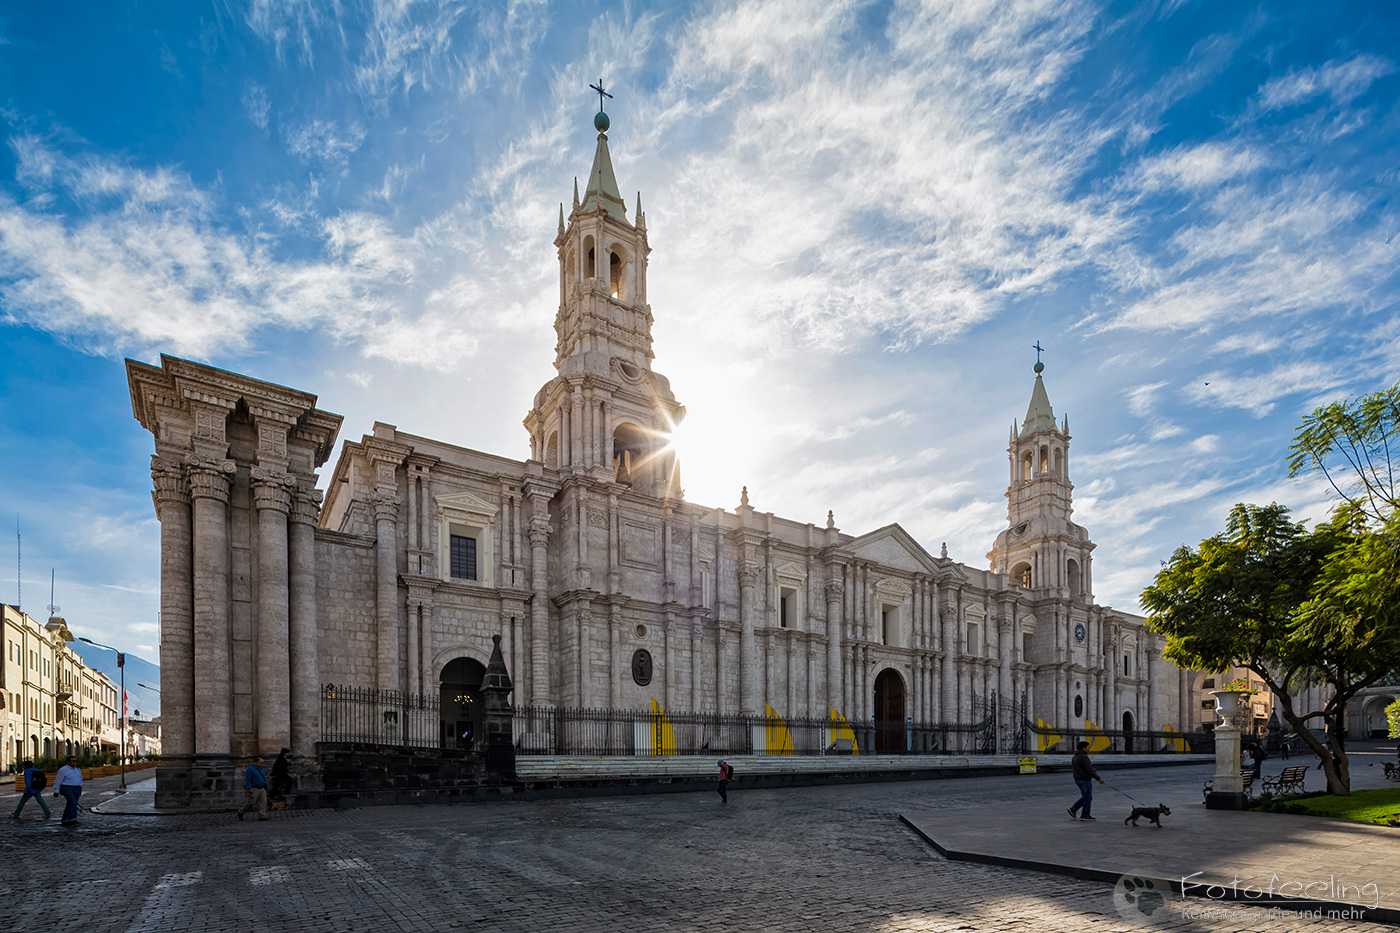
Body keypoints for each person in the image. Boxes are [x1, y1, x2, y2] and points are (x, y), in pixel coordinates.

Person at [1066, 740, 1104, 821]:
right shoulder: (1083, 757)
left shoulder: (1075, 756)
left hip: (1078, 779)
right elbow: (1089, 769)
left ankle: (1073, 809)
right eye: (1088, 747)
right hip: (1084, 779)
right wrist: (1098, 779)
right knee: (1088, 797)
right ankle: (1084, 814)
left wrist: (1091, 771)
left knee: (1086, 797)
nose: (1089, 748)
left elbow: (1081, 768)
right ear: (1083, 748)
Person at [236, 755, 269, 821]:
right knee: (251, 803)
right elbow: (248, 779)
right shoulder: (250, 769)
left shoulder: (262, 769)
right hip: (254, 788)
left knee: (263, 802)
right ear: (256, 762)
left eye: (263, 762)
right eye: (261, 762)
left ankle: (262, 815)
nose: (262, 764)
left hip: (262, 788)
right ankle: (241, 811)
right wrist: (249, 788)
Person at [52, 755, 83, 824]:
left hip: (77, 788)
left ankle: (66, 818)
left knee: (71, 803)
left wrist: (81, 784)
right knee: (73, 802)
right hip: (67, 788)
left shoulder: (77, 769)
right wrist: (56, 790)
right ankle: (73, 818)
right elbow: (58, 780)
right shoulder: (63, 770)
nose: (75, 763)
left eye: (76, 761)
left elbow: (80, 777)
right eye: (73, 761)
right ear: (68, 762)